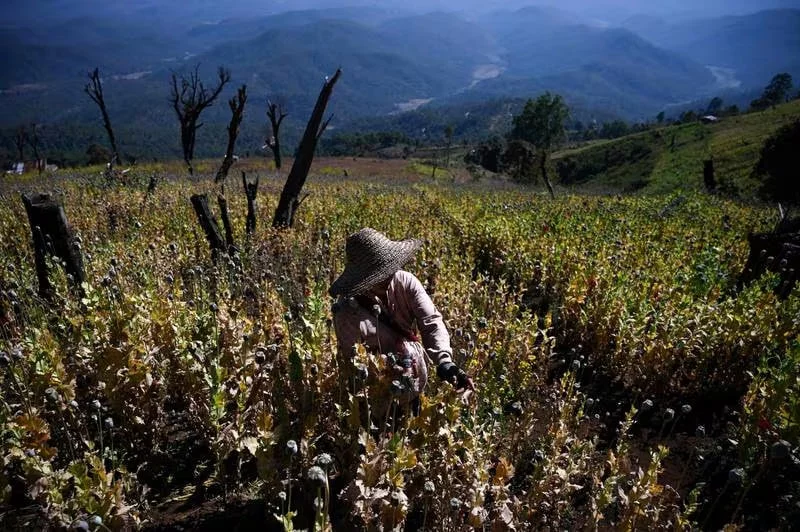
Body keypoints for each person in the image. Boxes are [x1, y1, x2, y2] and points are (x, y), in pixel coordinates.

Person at [330, 228, 474, 419]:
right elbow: (352, 362)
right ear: (362, 277)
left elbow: (431, 321)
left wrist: (445, 362)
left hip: (413, 382)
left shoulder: (405, 282)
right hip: (375, 397)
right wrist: (385, 372)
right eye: (380, 273)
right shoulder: (347, 311)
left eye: (389, 268)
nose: (389, 275)